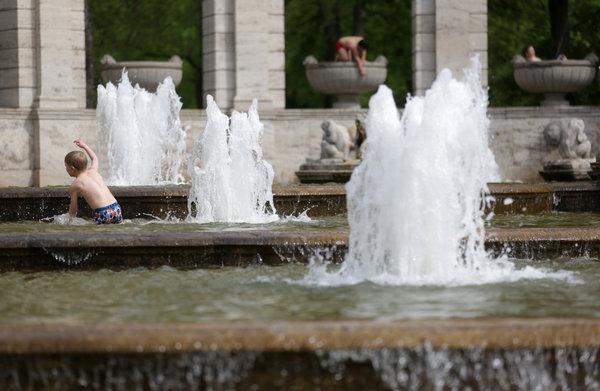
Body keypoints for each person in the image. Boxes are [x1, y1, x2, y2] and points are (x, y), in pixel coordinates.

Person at [64, 139, 123, 224]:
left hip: (102, 212)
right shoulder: (93, 171)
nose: (65, 169)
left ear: (72, 168)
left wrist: (70, 222)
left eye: (66, 166)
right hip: (116, 207)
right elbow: (94, 158)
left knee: (98, 235)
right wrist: (84, 146)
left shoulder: (76, 184)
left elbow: (73, 208)